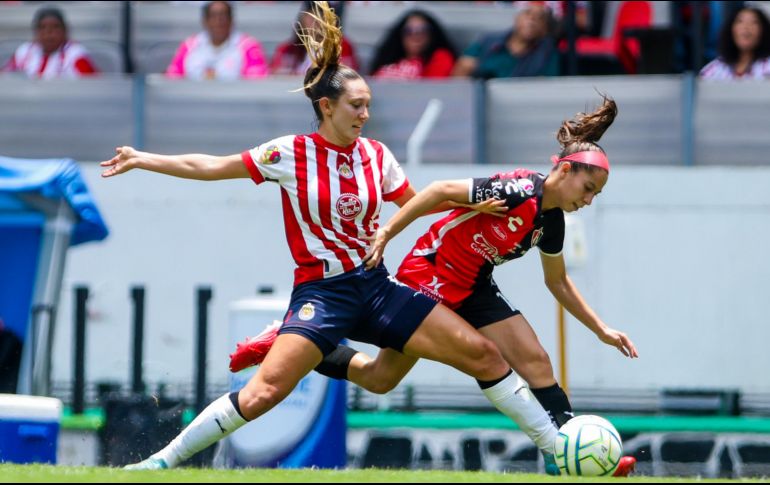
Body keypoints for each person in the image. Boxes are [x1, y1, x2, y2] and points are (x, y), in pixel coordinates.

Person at [103, 2, 561, 474]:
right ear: (327, 106)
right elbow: (212, 166)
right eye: (356, 105)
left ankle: (556, 446)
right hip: (323, 294)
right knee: (263, 393)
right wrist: (144, 157)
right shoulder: (289, 152)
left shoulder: (376, 155)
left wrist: (472, 205)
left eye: (368, 105)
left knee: (474, 357)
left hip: (378, 287)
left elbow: (411, 201)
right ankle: (160, 463)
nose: (365, 113)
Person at [230, 95, 639, 477]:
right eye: (588, 190)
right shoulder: (517, 190)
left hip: (474, 286)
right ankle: (296, 338)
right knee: (382, 378)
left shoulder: (552, 224)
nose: (588, 200)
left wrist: (601, 329)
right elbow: (439, 191)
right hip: (430, 275)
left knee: (532, 360)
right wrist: (388, 231)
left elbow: (558, 282)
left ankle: (563, 455)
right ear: (565, 170)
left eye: (595, 195)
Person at [452, 2, 560, 79]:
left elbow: (546, 85)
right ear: (516, 18)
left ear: (545, 29)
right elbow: (464, 65)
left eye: (540, 18)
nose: (532, 21)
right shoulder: (488, 41)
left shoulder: (547, 52)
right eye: (528, 14)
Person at [165, 1, 268, 80]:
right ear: (204, 21)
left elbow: (256, 84)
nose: (218, 21)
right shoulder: (189, 45)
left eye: (223, 16)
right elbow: (172, 79)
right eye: (213, 16)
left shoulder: (249, 45)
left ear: (232, 20)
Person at [1, 6, 98, 79]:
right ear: (36, 32)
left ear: (65, 31)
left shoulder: (75, 55)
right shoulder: (24, 52)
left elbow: (93, 86)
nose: (48, 33)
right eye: (42, 28)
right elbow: (4, 78)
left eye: (55, 27)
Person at [270, 0, 359, 75]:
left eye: (323, 15)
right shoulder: (287, 49)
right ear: (302, 18)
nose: (317, 21)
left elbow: (348, 79)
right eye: (312, 15)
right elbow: (276, 78)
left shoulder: (344, 47)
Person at [368, 9, 457, 79]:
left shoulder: (440, 57)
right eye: (409, 31)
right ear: (400, 36)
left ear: (432, 35)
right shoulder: (387, 59)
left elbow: (431, 91)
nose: (416, 36)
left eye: (423, 31)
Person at [699, 6, 770, 80]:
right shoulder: (716, 68)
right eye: (740, 21)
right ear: (731, 30)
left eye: (754, 22)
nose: (746, 27)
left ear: (763, 31)